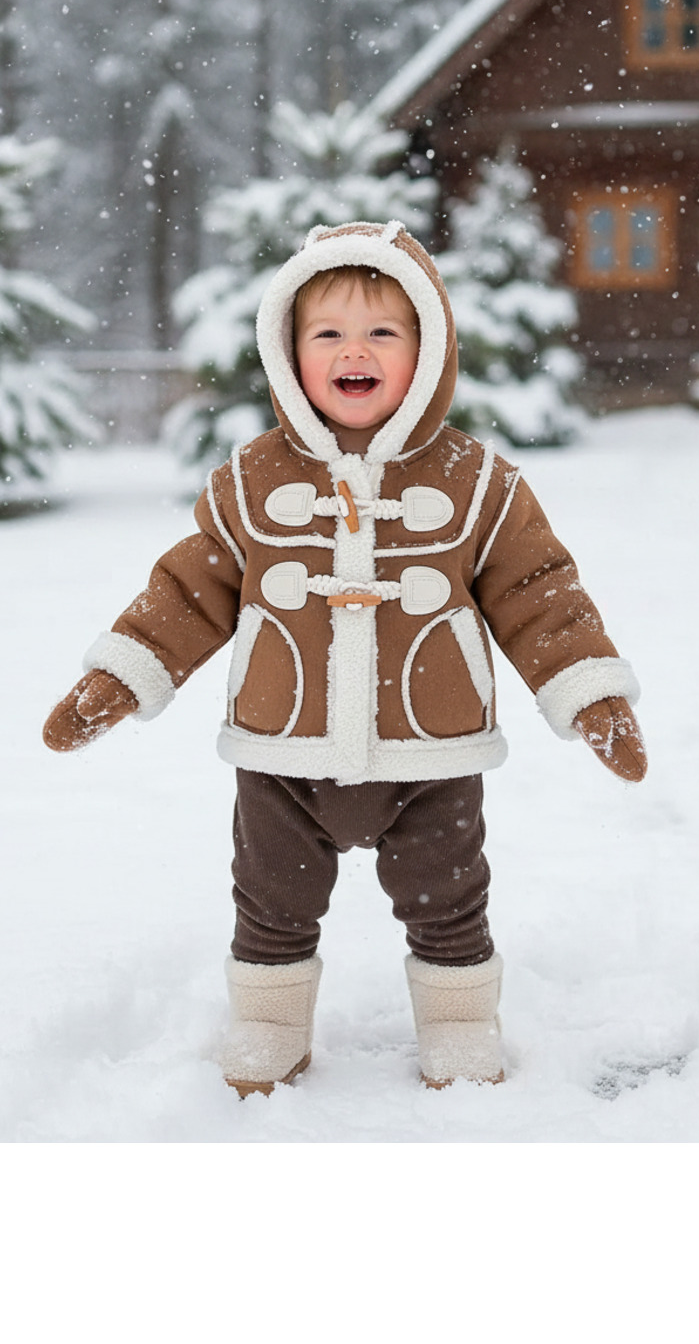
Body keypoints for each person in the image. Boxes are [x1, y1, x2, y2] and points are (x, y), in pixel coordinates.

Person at [43, 220, 646, 1096]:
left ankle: (459, 1019)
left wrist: (588, 691)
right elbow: (191, 587)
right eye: (327, 332)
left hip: (429, 746)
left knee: (448, 894)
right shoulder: (249, 480)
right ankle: (270, 1021)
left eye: (382, 332)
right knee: (270, 897)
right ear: (288, 352)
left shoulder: (477, 481)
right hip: (284, 745)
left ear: (428, 352)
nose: (353, 351)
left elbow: (538, 591)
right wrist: (122, 674)